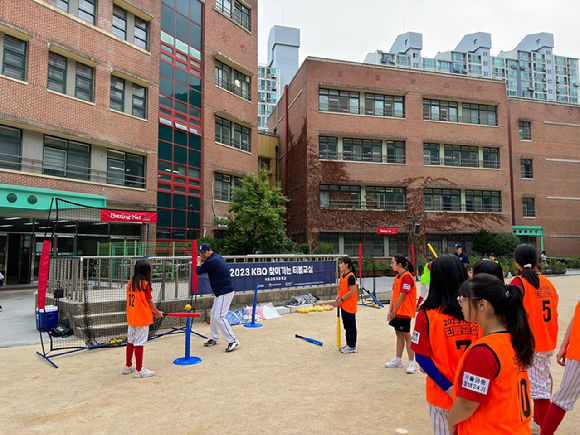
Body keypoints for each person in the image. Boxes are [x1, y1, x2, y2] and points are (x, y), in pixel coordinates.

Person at [448, 274, 535, 434]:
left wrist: (450, 421)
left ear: (482, 305)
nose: (460, 303)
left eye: (463, 299)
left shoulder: (484, 351)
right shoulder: (512, 338)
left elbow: (467, 403)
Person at [411, 255, 481, 434]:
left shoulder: (426, 313)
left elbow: (422, 357)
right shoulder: (477, 308)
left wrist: (450, 389)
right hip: (475, 393)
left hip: (444, 394)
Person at [510, 244, 559, 429]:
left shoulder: (518, 282)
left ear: (516, 261)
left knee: (539, 392)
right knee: (541, 385)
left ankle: (545, 429)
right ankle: (539, 424)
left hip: (530, 342)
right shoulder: (547, 282)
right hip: (547, 339)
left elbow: (510, 310)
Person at [541, 299, 580, 434]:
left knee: (561, 400)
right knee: (561, 400)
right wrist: (564, 345)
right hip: (577, 351)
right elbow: (576, 315)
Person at [196, 242, 239, 352]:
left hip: (225, 292)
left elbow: (198, 271)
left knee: (219, 316)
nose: (202, 255)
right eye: (201, 253)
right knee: (214, 315)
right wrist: (203, 260)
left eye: (204, 253)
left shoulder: (211, 261)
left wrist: (198, 262)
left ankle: (233, 340)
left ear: (210, 250)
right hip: (222, 292)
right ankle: (214, 338)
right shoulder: (217, 257)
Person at [124, 260, 163, 378]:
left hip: (132, 316)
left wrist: (153, 312)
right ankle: (139, 370)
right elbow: (149, 301)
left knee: (131, 341)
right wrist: (157, 313)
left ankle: (128, 365)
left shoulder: (131, 282)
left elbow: (140, 302)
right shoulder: (145, 284)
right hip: (141, 318)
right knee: (139, 343)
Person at [386, 254, 417, 374]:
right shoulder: (397, 277)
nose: (391, 264)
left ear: (399, 264)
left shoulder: (407, 277)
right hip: (397, 311)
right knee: (398, 333)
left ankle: (411, 362)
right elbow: (394, 295)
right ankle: (398, 359)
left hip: (404, 311)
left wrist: (394, 311)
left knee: (406, 335)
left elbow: (403, 296)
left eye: (393, 262)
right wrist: (390, 311)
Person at [335, 256, 358, 354]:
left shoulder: (351, 276)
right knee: (346, 325)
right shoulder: (342, 275)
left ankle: (352, 346)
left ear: (346, 265)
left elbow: (352, 291)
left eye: (341, 263)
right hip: (343, 304)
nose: (340, 265)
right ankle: (349, 344)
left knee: (351, 326)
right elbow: (341, 288)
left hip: (349, 304)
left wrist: (343, 298)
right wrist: (338, 296)